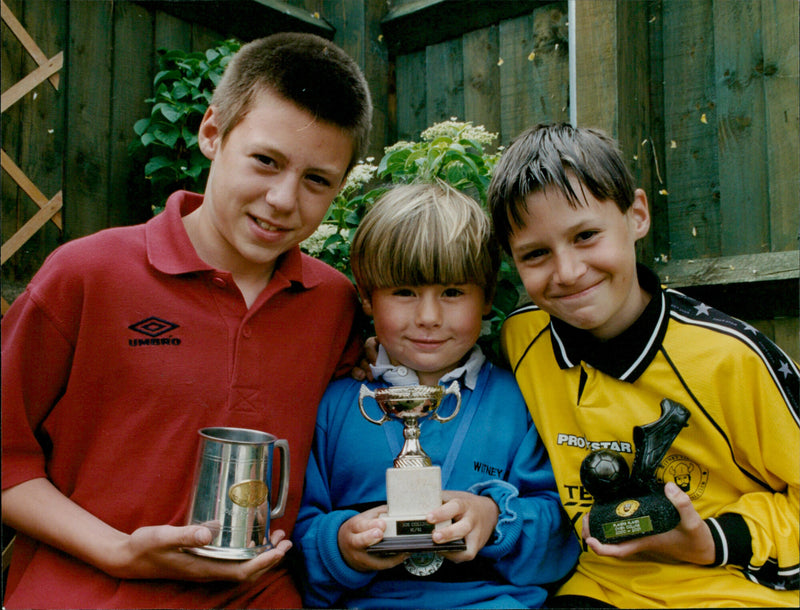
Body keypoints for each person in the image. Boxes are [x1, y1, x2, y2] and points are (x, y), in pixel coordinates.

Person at [1, 32, 372, 609]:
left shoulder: (336, 306)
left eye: (316, 180)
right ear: (211, 133)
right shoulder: (87, 275)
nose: (281, 198)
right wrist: (117, 550)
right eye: (265, 161)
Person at [487, 122, 799, 607]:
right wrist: (377, 356)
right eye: (536, 254)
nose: (567, 272)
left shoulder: (730, 358)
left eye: (586, 235)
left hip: (732, 587)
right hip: (601, 585)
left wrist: (710, 540)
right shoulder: (521, 338)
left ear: (636, 215)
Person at [292, 181, 580, 609]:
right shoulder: (332, 406)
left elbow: (561, 533)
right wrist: (339, 545)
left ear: (486, 299)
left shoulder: (519, 401)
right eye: (404, 292)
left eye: (452, 292)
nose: (428, 317)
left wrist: (496, 518)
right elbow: (296, 534)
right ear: (368, 297)